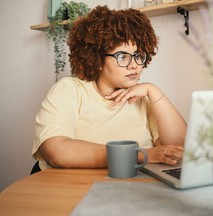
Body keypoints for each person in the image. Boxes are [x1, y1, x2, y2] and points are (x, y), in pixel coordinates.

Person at [31, 5, 187, 173]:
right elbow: (56, 151)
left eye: (138, 55)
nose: (134, 65)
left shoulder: (145, 98)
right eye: (122, 56)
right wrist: (140, 155)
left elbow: (178, 150)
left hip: (131, 188)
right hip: (72, 189)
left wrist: (154, 91)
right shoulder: (69, 90)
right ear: (97, 59)